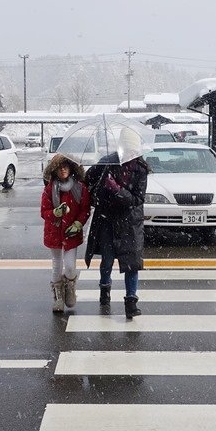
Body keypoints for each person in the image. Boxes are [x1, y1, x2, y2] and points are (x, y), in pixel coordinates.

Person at [84, 127, 150, 319]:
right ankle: (105, 288)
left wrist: (116, 189)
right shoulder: (108, 163)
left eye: (133, 150)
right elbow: (88, 180)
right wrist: (101, 174)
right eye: (126, 149)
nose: (129, 154)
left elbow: (137, 199)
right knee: (107, 259)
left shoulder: (141, 170)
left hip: (130, 223)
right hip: (107, 219)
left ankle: (131, 301)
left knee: (132, 264)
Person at [41, 154, 91, 313]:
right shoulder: (50, 188)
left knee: (70, 266)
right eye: (59, 167)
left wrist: (78, 224)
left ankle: (70, 288)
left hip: (71, 233)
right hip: (54, 232)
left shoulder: (80, 188)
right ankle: (58, 297)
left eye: (66, 166)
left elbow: (85, 210)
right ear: (54, 170)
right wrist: (56, 212)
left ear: (71, 168)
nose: (63, 169)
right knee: (57, 265)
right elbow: (44, 212)